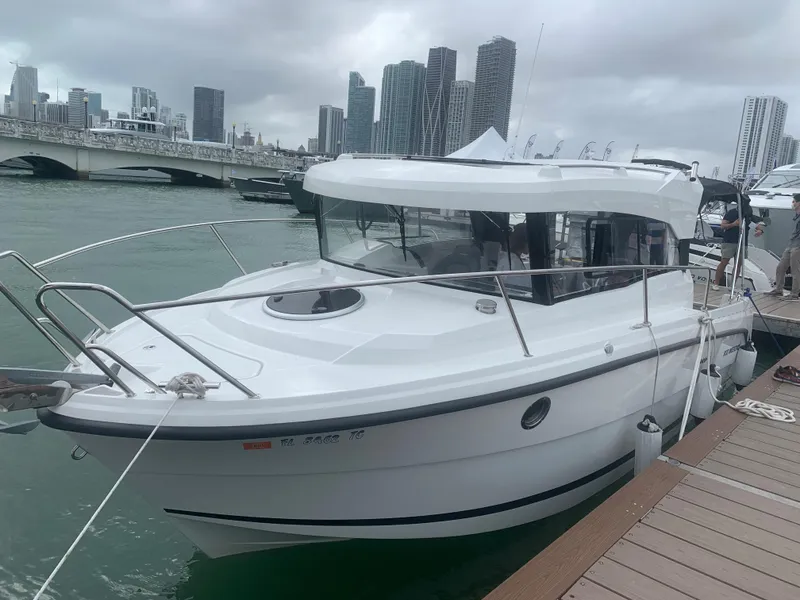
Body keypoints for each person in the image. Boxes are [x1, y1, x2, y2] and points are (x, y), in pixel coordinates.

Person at [766, 194, 800, 300]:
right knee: (780, 267)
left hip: (797, 246)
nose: (792, 204)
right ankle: (778, 289)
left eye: (794, 202)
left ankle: (794, 293)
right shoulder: (796, 216)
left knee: (795, 270)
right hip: (791, 245)